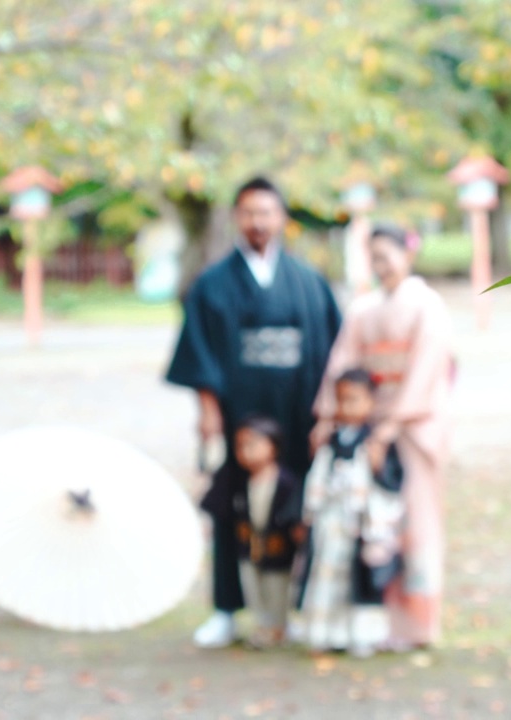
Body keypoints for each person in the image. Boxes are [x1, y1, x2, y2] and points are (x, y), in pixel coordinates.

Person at [166, 177, 341, 648]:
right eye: (248, 212)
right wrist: (208, 412)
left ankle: (295, 609)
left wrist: (327, 416)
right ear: (236, 218)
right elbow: (199, 354)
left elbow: (333, 353)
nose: (258, 221)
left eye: (267, 212)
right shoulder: (213, 284)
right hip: (237, 414)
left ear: (282, 217)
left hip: (297, 415)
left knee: (300, 507)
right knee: (231, 507)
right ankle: (226, 609)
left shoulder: (308, 282)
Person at [311, 225, 455, 649]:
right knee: (375, 524)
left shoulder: (428, 305)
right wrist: (328, 415)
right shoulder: (363, 309)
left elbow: (430, 366)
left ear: (407, 255)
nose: (379, 264)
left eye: (386, 254)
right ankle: (380, 619)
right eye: (372, 256)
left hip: (415, 425)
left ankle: (420, 624)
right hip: (369, 424)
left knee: (418, 522)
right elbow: (343, 362)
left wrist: (394, 423)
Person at [301, 368, 404, 657]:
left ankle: (363, 635)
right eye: (341, 400)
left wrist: (378, 467)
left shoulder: (377, 442)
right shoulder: (330, 440)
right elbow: (319, 479)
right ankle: (328, 633)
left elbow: (393, 484)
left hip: (362, 524)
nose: (346, 407)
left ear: (371, 401)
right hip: (332, 522)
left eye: (354, 399)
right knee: (329, 578)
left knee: (361, 581)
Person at [220, 417, 304, 648]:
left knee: (277, 587)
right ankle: (263, 625)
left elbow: (293, 513)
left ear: (273, 446)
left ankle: (279, 627)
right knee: (253, 587)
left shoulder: (285, 481)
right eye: (241, 446)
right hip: (250, 546)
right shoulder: (239, 482)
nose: (246, 452)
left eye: (253, 444)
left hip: (278, 549)